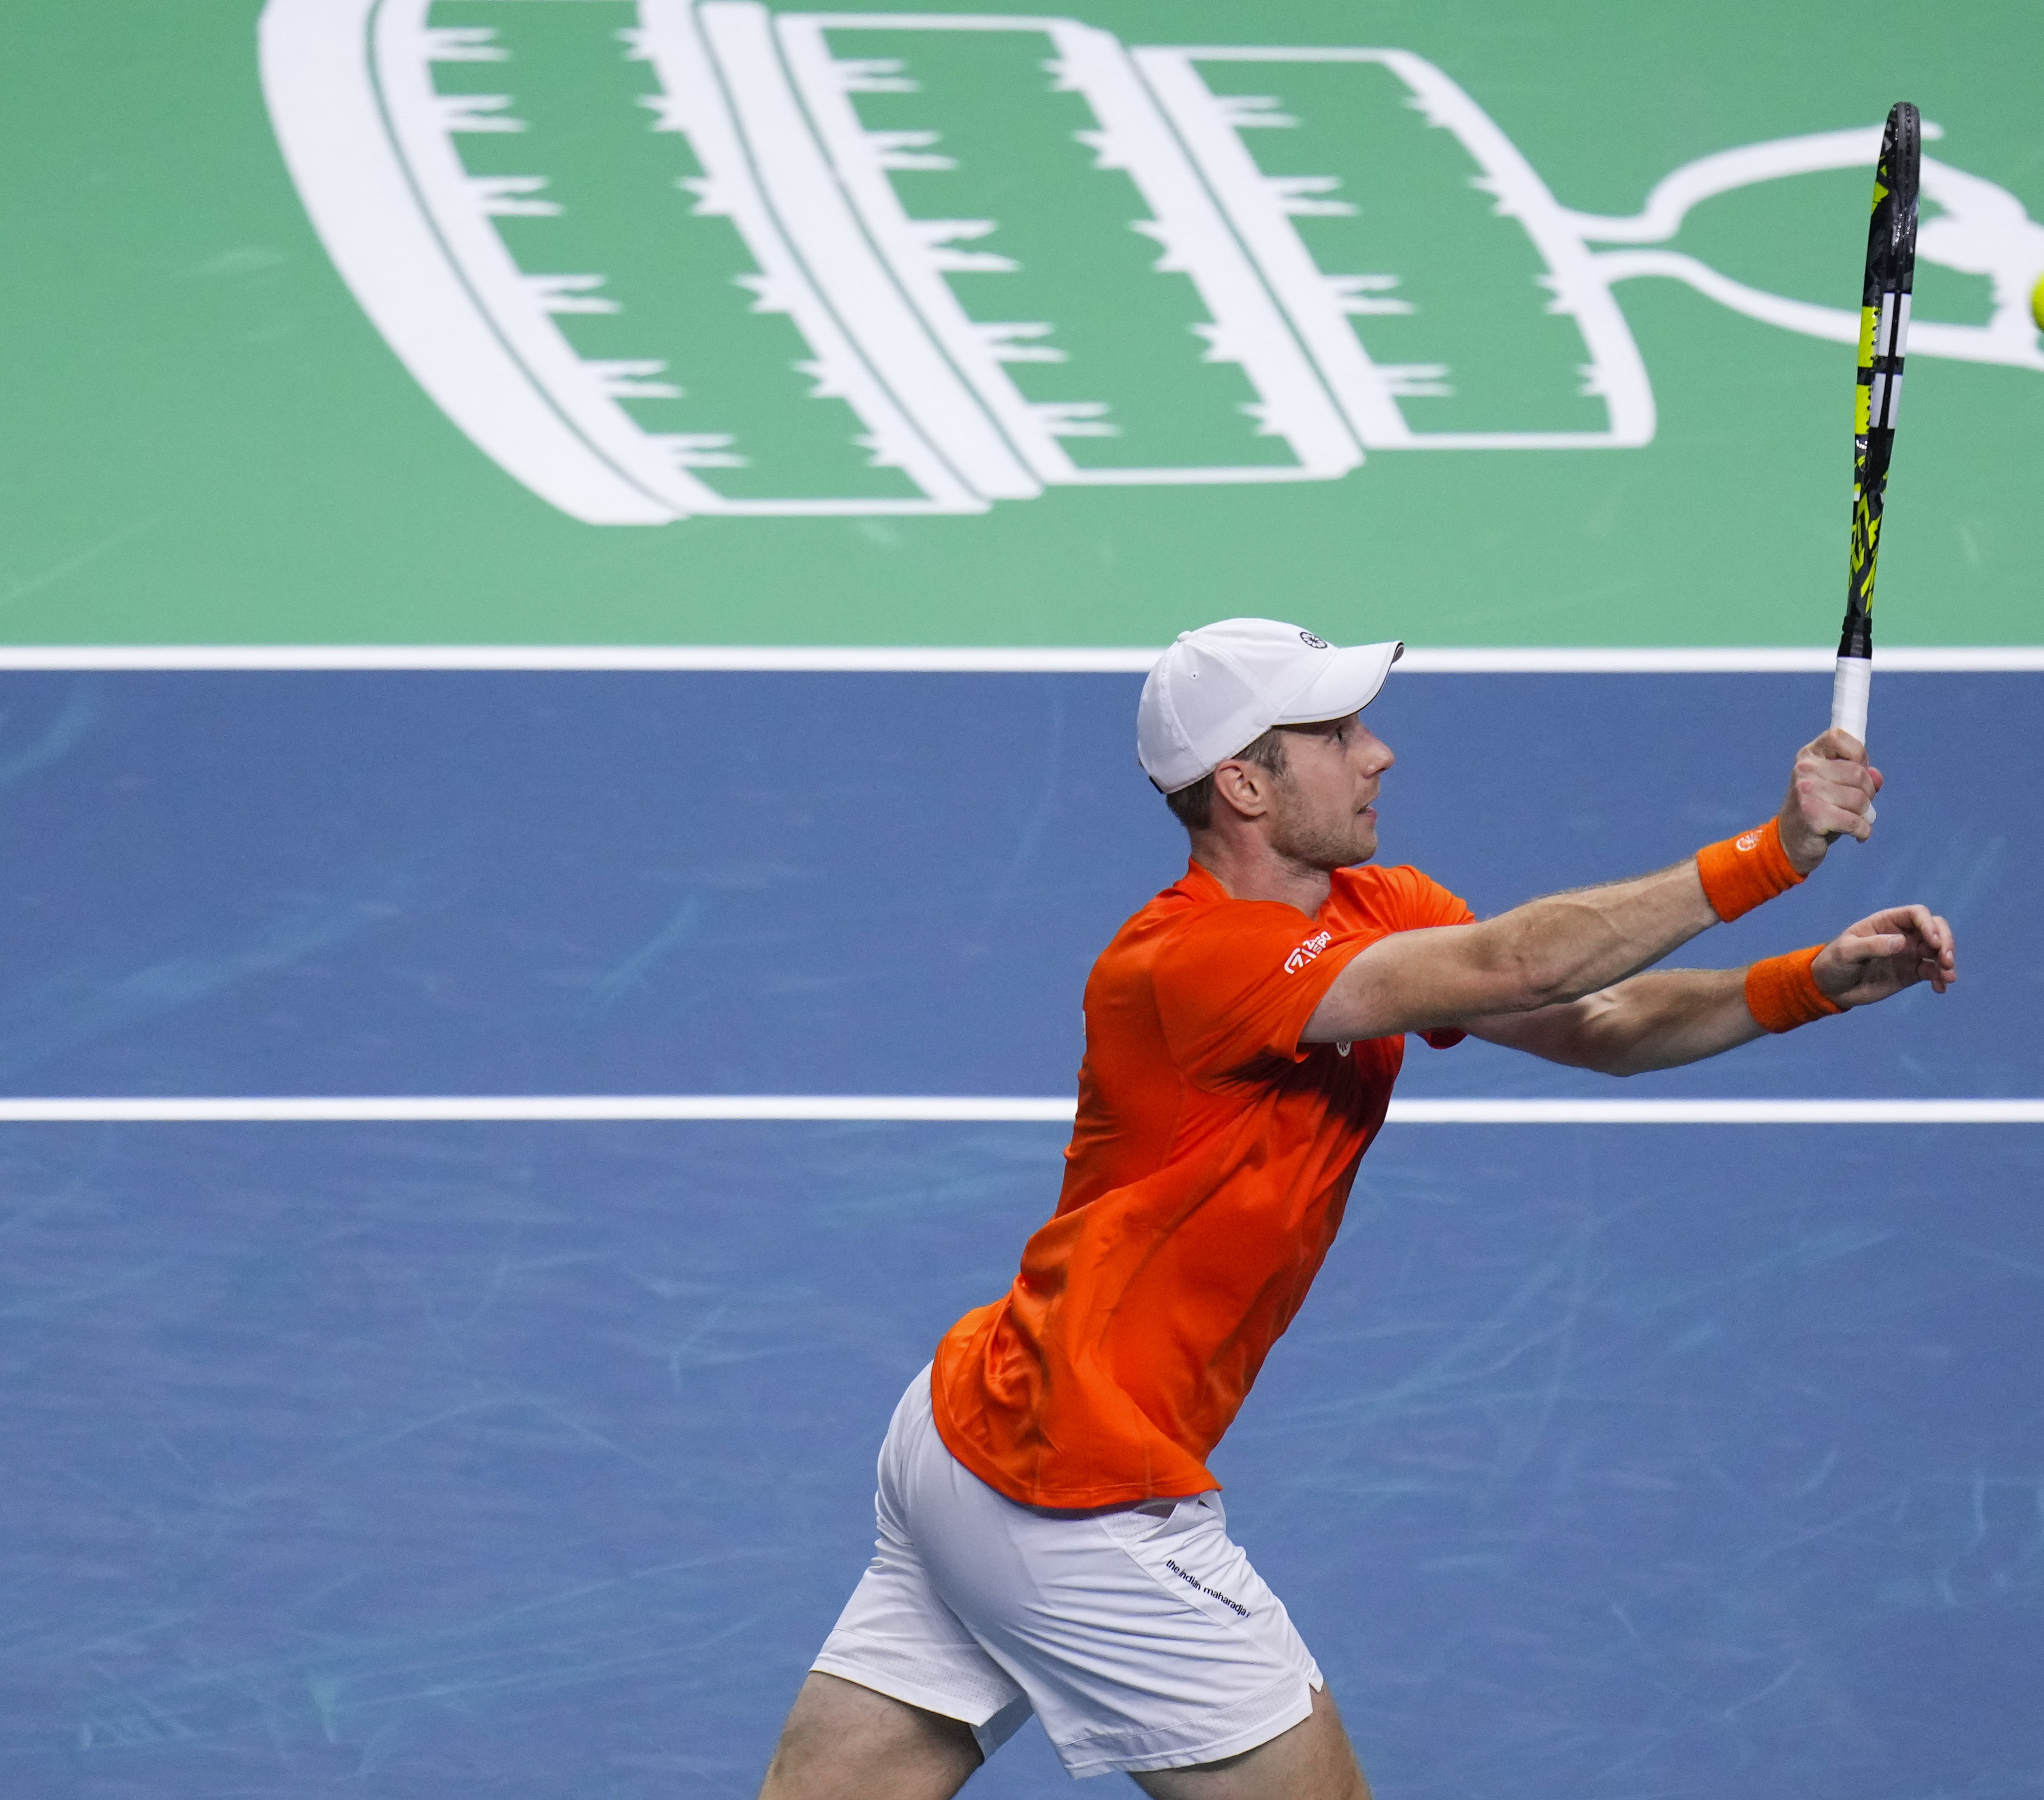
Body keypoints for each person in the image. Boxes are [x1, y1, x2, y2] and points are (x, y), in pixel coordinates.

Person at [758, 619, 1958, 1800]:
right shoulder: (1186, 961)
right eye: (1333, 733)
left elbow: (1594, 1022)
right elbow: (1517, 965)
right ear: (1243, 784)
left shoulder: (1375, 905)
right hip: (1071, 1494)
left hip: (970, 1434)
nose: (1377, 752)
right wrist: (1776, 853)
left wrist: (1813, 982)